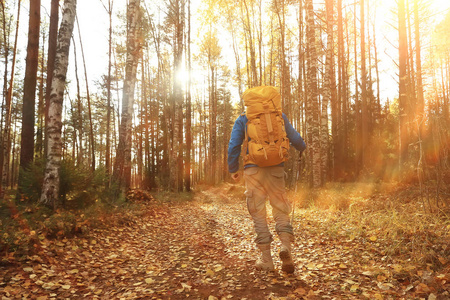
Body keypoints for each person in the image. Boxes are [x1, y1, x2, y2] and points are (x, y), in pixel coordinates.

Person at [228, 86, 306, 274]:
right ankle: (286, 248)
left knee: (258, 213)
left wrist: (233, 169)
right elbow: (295, 137)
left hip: (253, 171)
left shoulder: (243, 119)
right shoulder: (280, 117)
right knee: (280, 208)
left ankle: (267, 260)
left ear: (249, 103)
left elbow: (234, 145)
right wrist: (301, 146)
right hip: (276, 169)